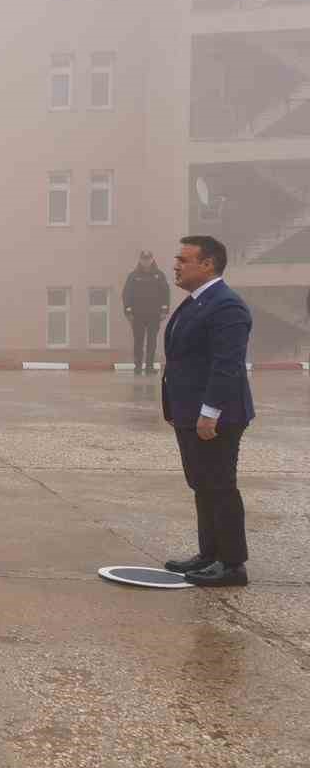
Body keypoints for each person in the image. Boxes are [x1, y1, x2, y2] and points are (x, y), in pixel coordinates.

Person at [161, 235, 254, 588]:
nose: (176, 265)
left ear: (208, 264)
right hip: (191, 413)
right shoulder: (196, 302)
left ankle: (232, 565)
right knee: (202, 485)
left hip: (217, 417)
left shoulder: (227, 306)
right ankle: (209, 554)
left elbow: (227, 365)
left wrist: (209, 413)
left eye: (183, 260)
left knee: (220, 486)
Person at [122, 250, 171, 375]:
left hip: (154, 315)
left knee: (152, 341)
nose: (146, 261)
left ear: (152, 259)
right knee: (138, 341)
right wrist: (128, 310)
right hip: (137, 315)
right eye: (144, 259)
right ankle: (137, 366)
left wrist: (165, 309)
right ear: (140, 260)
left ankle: (149, 366)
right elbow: (127, 294)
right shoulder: (133, 276)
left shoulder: (159, 276)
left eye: (148, 259)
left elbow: (165, 293)